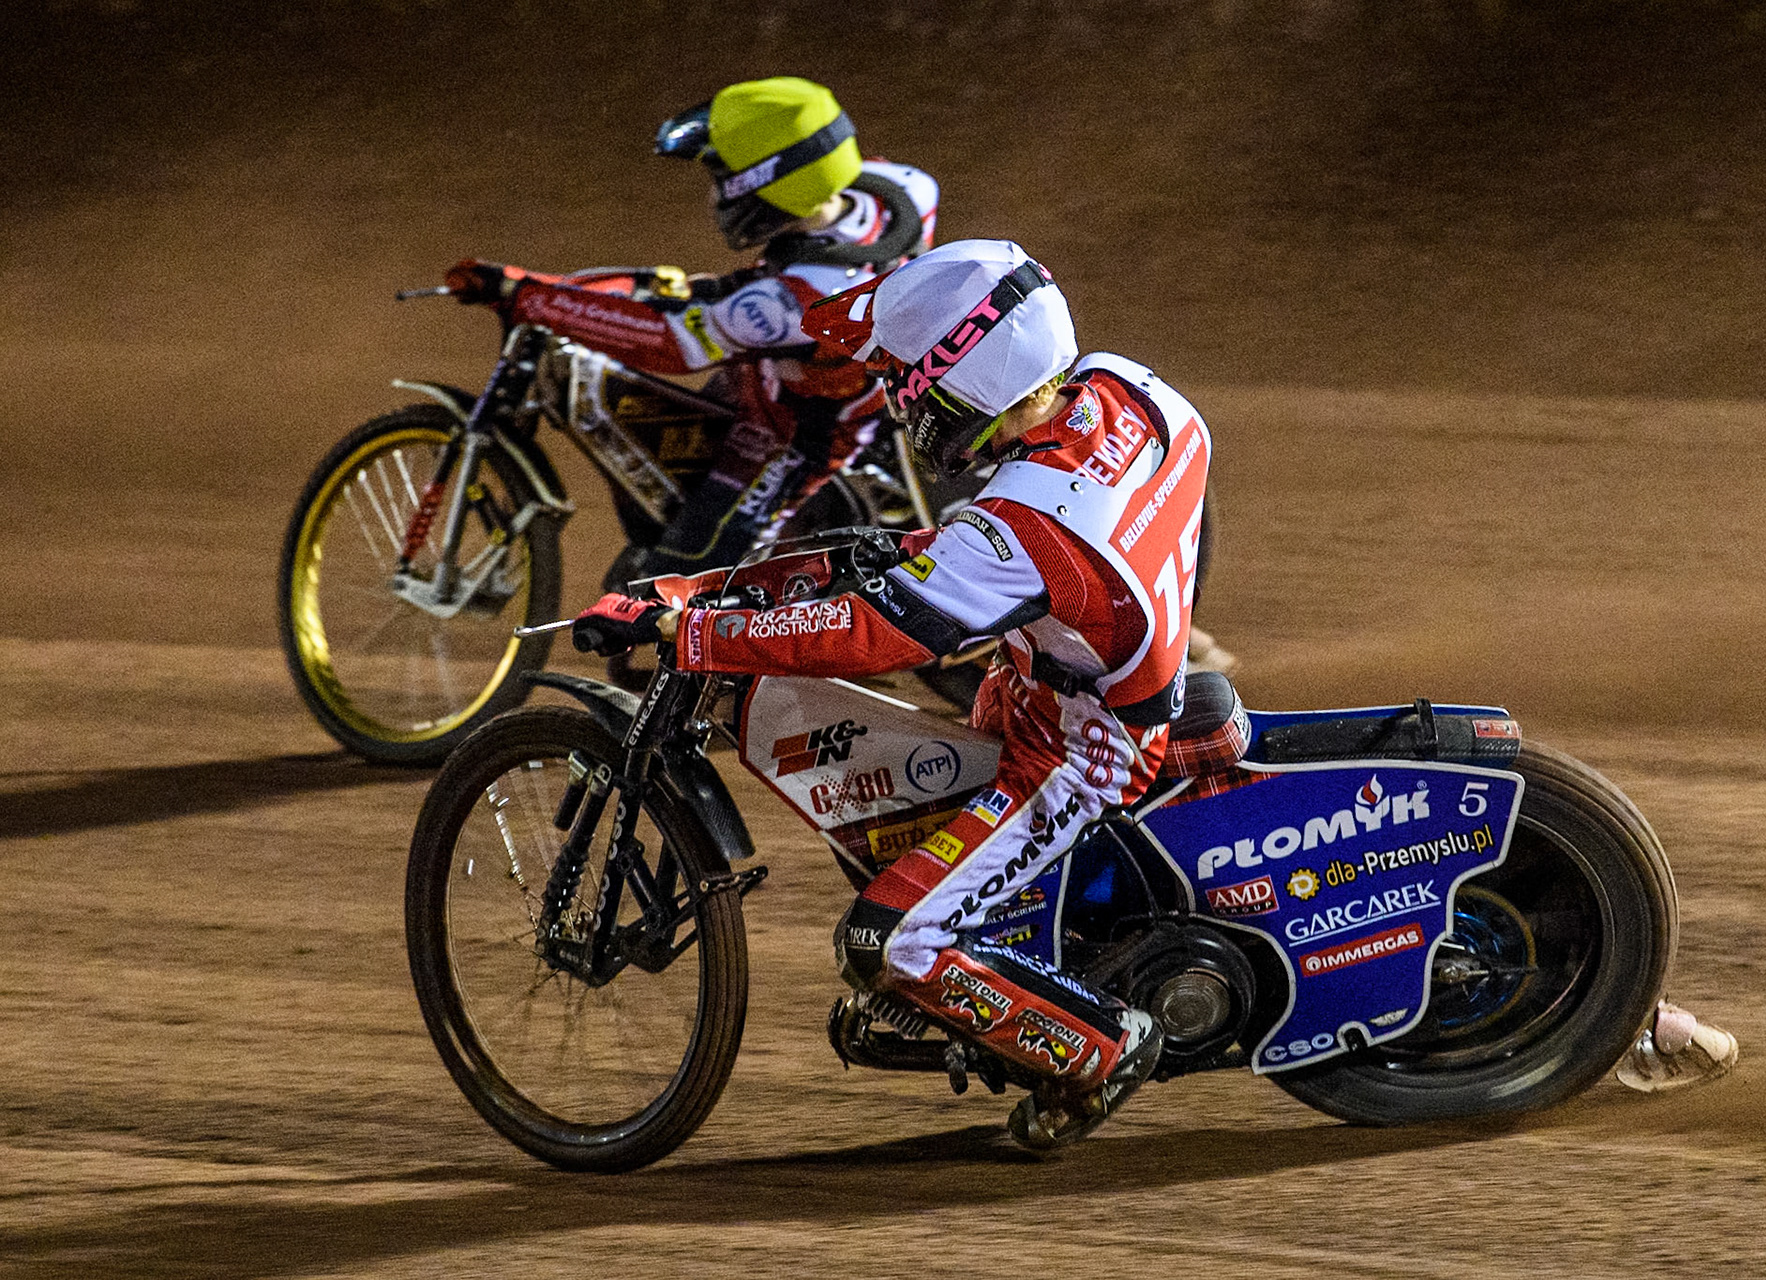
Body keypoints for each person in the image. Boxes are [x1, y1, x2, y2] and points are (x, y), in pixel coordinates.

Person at [573, 239, 1206, 1150]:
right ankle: (991, 960)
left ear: (968, 378)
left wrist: (699, 631)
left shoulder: (1024, 527)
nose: (902, 400)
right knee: (892, 793)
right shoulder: (1128, 391)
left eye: (910, 379)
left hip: (1078, 750)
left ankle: (1095, 1050)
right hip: (1062, 680)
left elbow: (873, 637)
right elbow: (1002, 558)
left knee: (886, 943)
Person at [444, 75, 939, 591]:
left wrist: (529, 296)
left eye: (723, 174)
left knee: (677, 585)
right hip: (796, 374)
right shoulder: (906, 189)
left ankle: (757, 645)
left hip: (794, 433)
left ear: (771, 181)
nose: (715, 190)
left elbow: (672, 342)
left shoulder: (791, 301)